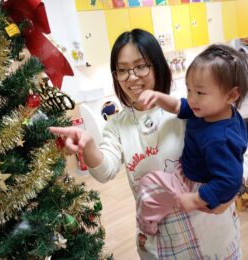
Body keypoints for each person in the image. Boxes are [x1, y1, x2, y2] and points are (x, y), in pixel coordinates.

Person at [49, 29, 247, 259]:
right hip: (163, 245)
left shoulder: (196, 107)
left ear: (158, 65)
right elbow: (105, 172)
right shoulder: (118, 126)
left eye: (140, 66)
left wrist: (232, 193)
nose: (131, 77)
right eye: (122, 70)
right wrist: (88, 145)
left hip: (213, 238)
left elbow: (235, 156)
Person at [136, 44, 248, 236]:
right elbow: (179, 106)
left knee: (149, 185)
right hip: (189, 171)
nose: (192, 98)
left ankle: (147, 226)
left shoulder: (219, 138)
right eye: (189, 90)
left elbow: (231, 180)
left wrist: (196, 199)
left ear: (231, 95)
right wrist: (158, 97)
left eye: (200, 92)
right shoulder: (209, 110)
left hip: (196, 183)